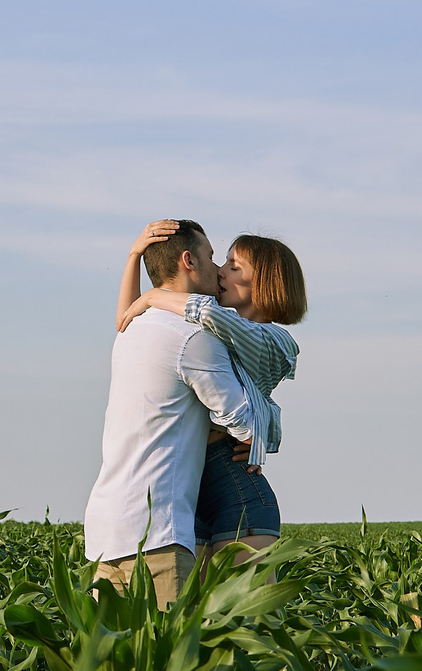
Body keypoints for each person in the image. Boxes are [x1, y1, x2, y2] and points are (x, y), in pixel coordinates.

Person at [81, 220, 259, 608]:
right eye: (211, 257)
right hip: (157, 535)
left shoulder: (131, 329)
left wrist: (133, 254)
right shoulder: (193, 336)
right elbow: (244, 422)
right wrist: (256, 434)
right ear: (188, 261)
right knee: (171, 648)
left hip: (104, 532)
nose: (218, 269)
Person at [117, 220, 306, 565]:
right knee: (200, 602)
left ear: (262, 282)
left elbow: (204, 312)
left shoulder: (273, 340)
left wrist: (154, 295)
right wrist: (134, 257)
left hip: (234, 488)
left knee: (251, 601)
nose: (220, 271)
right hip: (193, 484)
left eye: (233, 266)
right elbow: (130, 322)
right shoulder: (217, 330)